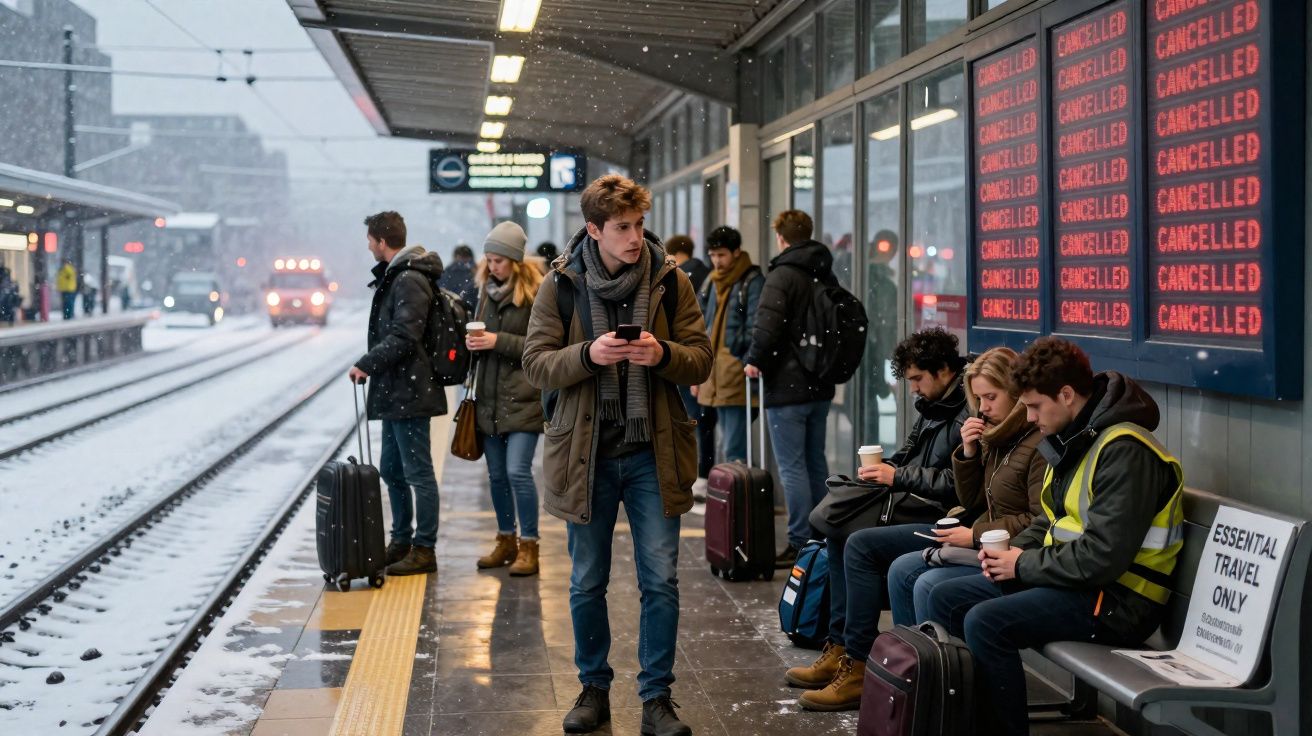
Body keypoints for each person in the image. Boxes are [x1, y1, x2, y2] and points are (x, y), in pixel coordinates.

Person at [523, 174, 712, 736]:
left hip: (654, 453)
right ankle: (593, 689)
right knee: (587, 581)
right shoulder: (560, 286)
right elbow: (535, 363)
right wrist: (588, 353)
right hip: (588, 455)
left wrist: (662, 354)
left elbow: (700, 359)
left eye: (639, 225)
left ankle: (656, 698)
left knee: (660, 581)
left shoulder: (670, 282)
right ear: (593, 230)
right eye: (622, 228)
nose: (635, 238)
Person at [924, 337, 1183, 736]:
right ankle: (958, 724)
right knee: (946, 596)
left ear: (1065, 395)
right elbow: (1052, 521)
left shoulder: (1125, 450)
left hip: (1119, 600)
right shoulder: (1076, 438)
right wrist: (1011, 553)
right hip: (1078, 583)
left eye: (1033, 406)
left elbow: (1102, 557)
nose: (1028, 418)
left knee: (986, 622)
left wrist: (1021, 564)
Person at [786, 326, 968, 707]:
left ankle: (858, 662)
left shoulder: (966, 409)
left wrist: (898, 475)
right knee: (838, 528)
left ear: (944, 370)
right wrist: (885, 468)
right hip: (912, 502)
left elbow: (959, 484)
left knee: (860, 545)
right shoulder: (936, 406)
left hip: (942, 514)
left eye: (918, 378)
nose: (914, 388)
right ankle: (838, 648)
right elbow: (909, 452)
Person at [885, 347, 1046, 627]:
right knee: (899, 569)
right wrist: (968, 453)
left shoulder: (1036, 442)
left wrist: (974, 535)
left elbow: (1037, 520)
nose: (983, 408)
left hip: (1011, 550)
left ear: (1016, 394)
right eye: (979, 398)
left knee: (928, 584)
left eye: (991, 397)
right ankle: (910, 661)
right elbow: (972, 501)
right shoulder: (996, 435)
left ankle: (939, 666)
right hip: (986, 539)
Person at [347, 211, 446, 577]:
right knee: (391, 468)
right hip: (395, 391)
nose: (369, 247)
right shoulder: (396, 276)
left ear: (380, 241)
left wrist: (366, 364)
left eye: (370, 241)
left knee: (418, 472)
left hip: (411, 390)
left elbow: (405, 336)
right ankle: (401, 539)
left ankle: (425, 548)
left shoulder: (408, 279)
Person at [742, 209, 839, 568]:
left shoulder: (782, 274)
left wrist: (755, 359)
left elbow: (767, 326)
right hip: (820, 383)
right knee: (815, 461)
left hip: (787, 385)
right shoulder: (824, 272)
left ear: (781, 237)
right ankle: (823, 535)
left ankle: (800, 539)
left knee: (793, 466)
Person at [468, 221, 546, 577]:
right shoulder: (485, 292)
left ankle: (530, 544)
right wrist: (472, 344)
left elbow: (540, 347)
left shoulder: (535, 296)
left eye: (499, 260)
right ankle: (505, 540)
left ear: (515, 261)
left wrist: (497, 341)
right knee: (496, 475)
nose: (493, 266)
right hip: (489, 398)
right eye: (489, 259)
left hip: (524, 397)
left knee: (518, 472)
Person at [693, 225, 763, 467]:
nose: (716, 261)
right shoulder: (712, 282)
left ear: (736, 252)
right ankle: (735, 496)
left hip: (735, 374)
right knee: (727, 444)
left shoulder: (751, 281)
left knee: (734, 446)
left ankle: (739, 499)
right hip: (715, 374)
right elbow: (702, 325)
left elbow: (756, 328)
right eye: (712, 255)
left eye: (721, 254)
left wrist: (741, 360)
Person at [665, 234, 712, 496]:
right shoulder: (708, 274)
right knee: (703, 421)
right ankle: (704, 472)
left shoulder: (680, 278)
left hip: (684, 361)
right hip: (704, 361)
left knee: (690, 418)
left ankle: (696, 474)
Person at [440, 243, 479, 308]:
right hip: (473, 312)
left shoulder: (447, 272)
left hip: (452, 311)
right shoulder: (479, 272)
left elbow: (441, 289)